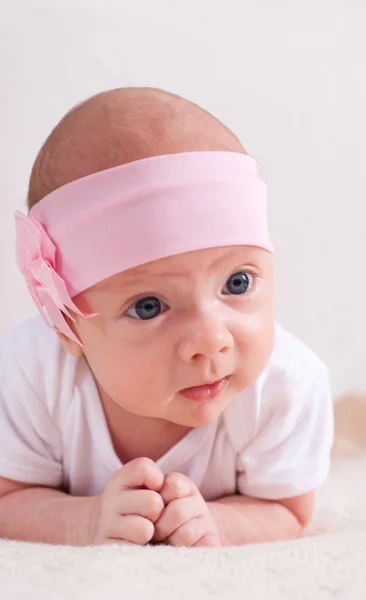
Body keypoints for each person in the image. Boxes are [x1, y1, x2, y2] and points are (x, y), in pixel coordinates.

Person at [0, 87, 333, 546]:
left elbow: (287, 510)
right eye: (148, 307)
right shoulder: (30, 373)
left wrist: (219, 523)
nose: (210, 340)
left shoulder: (285, 386)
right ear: (68, 326)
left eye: (237, 282)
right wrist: (85, 520)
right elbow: (7, 498)